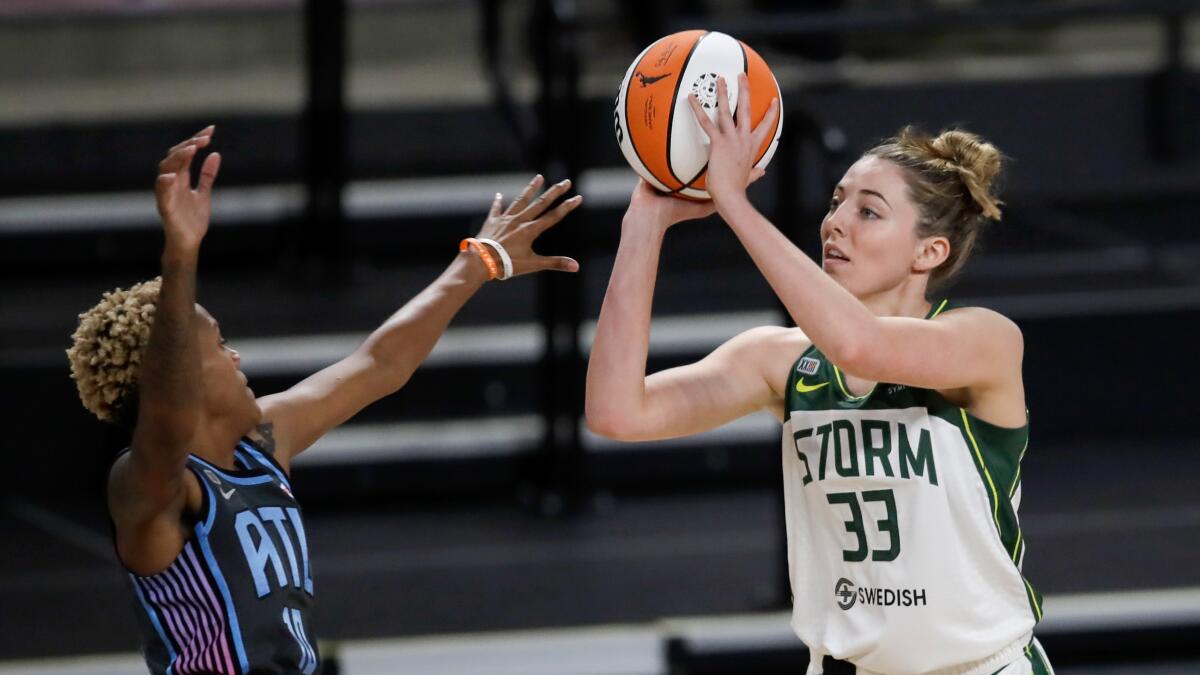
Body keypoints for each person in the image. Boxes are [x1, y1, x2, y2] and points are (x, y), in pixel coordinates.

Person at [66, 125, 583, 674]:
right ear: (181, 374)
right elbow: (166, 420)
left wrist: (476, 263)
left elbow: (378, 364)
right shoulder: (146, 486)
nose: (236, 356)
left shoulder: (262, 441)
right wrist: (179, 256)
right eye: (218, 342)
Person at [586, 75, 1052, 674]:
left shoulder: (983, 342)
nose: (835, 223)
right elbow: (616, 412)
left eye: (868, 212)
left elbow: (860, 345)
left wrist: (734, 202)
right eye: (835, 203)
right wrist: (643, 223)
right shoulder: (781, 360)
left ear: (928, 253)